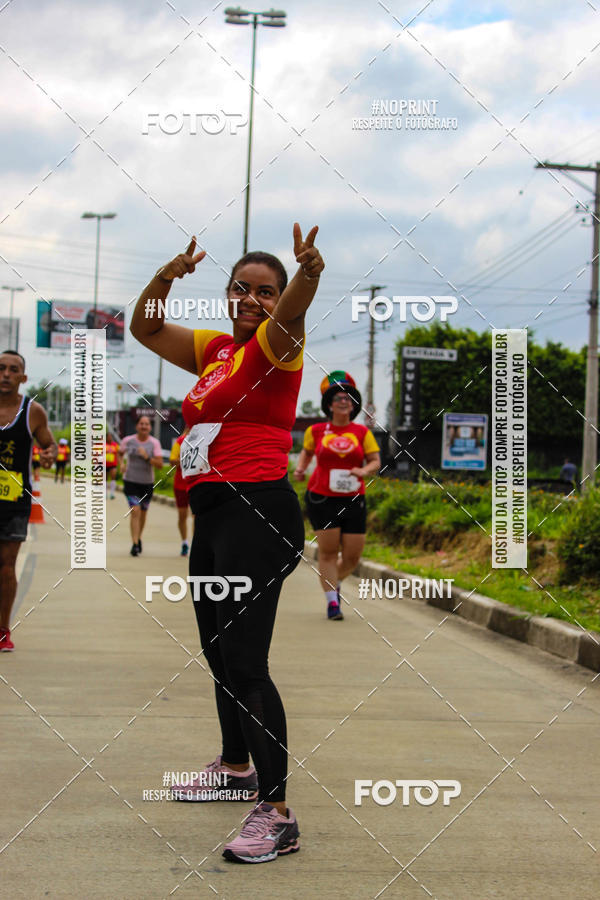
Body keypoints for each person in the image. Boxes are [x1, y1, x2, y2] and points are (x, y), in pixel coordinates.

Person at [130, 223, 324, 863]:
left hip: (256, 515)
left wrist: (306, 275)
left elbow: (292, 310)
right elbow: (147, 330)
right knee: (218, 653)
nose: (251, 300)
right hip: (214, 516)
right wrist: (165, 276)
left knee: (246, 663)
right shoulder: (217, 351)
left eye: (263, 292)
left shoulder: (277, 345)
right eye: (241, 288)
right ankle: (236, 765)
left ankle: (277, 814)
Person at [294, 372, 381, 620]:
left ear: (353, 407)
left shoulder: (362, 432)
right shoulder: (317, 430)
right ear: (329, 405)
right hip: (322, 497)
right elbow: (307, 453)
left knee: (352, 557)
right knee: (329, 553)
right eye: (339, 398)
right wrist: (301, 468)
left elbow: (375, 461)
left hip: (354, 498)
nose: (344, 402)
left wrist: (363, 470)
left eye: (349, 399)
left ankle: (334, 581)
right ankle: (333, 602)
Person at [0, 350, 56, 651]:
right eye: (1, 368)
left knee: (7, 565)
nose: (6, 374)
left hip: (14, 499)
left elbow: (50, 446)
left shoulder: (33, 412)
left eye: (13, 370)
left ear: (22, 378)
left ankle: (2, 630)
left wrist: (49, 455)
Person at [118, 416, 163, 556]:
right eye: (141, 423)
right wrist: (121, 463)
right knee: (135, 510)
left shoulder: (154, 443)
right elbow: (120, 453)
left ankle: (139, 537)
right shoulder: (128, 440)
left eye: (147, 424)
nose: (144, 426)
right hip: (131, 481)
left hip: (147, 483)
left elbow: (160, 465)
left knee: (143, 512)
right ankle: (135, 543)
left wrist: (147, 457)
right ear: (137, 426)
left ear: (150, 427)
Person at [169, 431, 192, 556]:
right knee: (182, 515)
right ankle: (184, 542)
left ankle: (195, 544)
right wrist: (189, 459)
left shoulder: (203, 438)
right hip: (181, 485)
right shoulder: (180, 441)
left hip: (197, 484)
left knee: (196, 515)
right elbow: (172, 460)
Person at [105, 431, 120, 500]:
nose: (110, 438)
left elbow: (118, 454)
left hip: (113, 464)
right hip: (104, 464)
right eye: (108, 436)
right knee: (105, 479)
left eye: (111, 436)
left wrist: (119, 463)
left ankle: (112, 493)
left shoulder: (115, 445)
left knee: (113, 477)